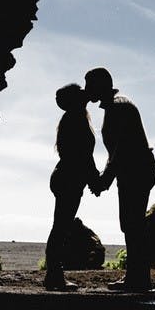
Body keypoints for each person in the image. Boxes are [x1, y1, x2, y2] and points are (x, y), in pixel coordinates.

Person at [84, 67, 155, 292]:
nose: (87, 90)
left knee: (132, 223)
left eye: (90, 85)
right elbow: (116, 151)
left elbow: (121, 148)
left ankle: (138, 278)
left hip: (136, 170)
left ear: (101, 85)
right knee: (131, 222)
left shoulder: (118, 106)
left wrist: (104, 180)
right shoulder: (116, 106)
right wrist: (107, 178)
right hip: (134, 170)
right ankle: (136, 276)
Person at [44, 83, 101, 291]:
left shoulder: (75, 118)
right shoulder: (76, 119)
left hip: (66, 178)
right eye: (80, 92)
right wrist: (95, 180)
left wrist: (92, 179)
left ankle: (54, 274)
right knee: (60, 227)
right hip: (68, 179)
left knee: (61, 226)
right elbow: (84, 156)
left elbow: (84, 156)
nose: (85, 93)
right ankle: (54, 275)